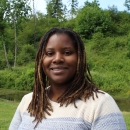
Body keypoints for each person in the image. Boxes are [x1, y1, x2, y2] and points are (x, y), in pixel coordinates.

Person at [9, 28, 126, 130]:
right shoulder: (29, 101)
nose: (57, 59)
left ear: (80, 58)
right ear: (41, 60)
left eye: (67, 52)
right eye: (49, 53)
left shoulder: (101, 104)